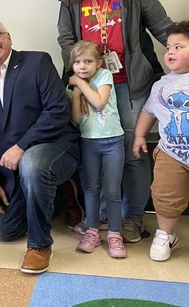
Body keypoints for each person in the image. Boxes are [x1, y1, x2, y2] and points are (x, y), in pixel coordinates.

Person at [58, 0, 173, 243]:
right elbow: (66, 39)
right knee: (92, 150)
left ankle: (133, 217)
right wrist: (79, 79)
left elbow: (161, 24)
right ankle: (100, 217)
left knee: (132, 151)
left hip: (131, 85)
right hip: (89, 86)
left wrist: (183, 49)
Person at [0, 19, 79, 274]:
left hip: (54, 148)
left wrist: (22, 146)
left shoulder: (37, 62)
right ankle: (62, 196)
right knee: (3, 232)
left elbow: (57, 111)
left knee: (32, 162)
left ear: (8, 38)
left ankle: (39, 246)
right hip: (12, 169)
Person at [133, 20, 189, 262]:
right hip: (172, 153)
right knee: (165, 194)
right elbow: (149, 111)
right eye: (169, 47)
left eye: (179, 47)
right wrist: (140, 136)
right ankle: (166, 234)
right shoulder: (162, 84)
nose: (170, 52)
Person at [67, 41, 126, 258]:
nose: (82, 66)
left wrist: (79, 84)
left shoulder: (104, 76)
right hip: (89, 142)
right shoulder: (73, 87)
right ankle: (92, 231)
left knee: (112, 191)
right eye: (77, 62)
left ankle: (114, 234)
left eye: (88, 61)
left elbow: (100, 103)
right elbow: (75, 119)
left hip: (113, 141)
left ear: (99, 63)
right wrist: (74, 92)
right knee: (91, 188)